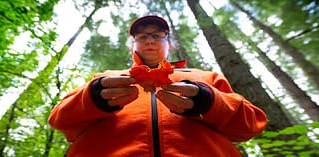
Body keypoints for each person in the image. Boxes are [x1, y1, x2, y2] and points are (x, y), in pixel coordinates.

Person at [48, 15, 267, 157]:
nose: (150, 40)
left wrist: (209, 101)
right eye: (142, 36)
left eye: (157, 36)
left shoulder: (205, 77)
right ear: (133, 45)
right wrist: (93, 98)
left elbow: (250, 125)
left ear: (169, 45)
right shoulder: (106, 78)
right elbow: (60, 119)